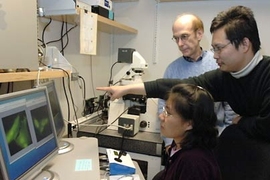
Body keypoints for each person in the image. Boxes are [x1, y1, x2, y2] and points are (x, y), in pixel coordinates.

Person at [97, 6, 270, 179]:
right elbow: (180, 85)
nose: (215, 55)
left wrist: (241, 121)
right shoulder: (226, 76)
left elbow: (266, 126)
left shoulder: (266, 73)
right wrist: (125, 89)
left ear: (245, 44)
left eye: (219, 48)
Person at [158, 13, 236, 152]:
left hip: (212, 145)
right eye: (176, 39)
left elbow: (231, 108)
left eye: (184, 36)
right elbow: (163, 107)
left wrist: (224, 141)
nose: (180, 44)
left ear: (199, 34)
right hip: (179, 147)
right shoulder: (172, 70)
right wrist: (170, 145)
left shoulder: (218, 64)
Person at [153, 83, 221, 180]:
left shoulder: (194, 162)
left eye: (168, 113)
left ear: (189, 124)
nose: (161, 116)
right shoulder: (179, 145)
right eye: (164, 110)